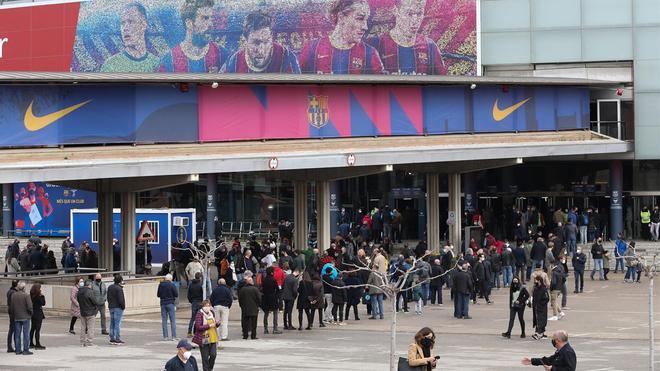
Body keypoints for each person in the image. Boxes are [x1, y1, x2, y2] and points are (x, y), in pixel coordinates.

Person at [300, 0, 384, 74]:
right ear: (341, 17)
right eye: (360, 18)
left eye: (366, 20)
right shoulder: (312, 48)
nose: (365, 27)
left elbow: (382, 89)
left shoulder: (370, 53)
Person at [368, 0, 445, 75]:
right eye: (409, 14)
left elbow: (441, 84)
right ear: (396, 11)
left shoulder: (430, 46)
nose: (414, 21)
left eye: (419, 13)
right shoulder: (376, 45)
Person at [158, 0, 227, 73]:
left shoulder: (221, 54)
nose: (211, 24)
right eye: (205, 18)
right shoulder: (169, 60)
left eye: (211, 19)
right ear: (189, 23)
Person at [222, 10, 300, 73]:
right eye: (255, 43)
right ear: (245, 40)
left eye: (266, 42)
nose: (261, 51)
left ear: (271, 38)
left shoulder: (287, 58)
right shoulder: (233, 62)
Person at [100, 3, 159, 72]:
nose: (125, 28)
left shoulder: (157, 64)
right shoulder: (110, 66)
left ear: (144, 24)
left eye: (130, 21)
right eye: (122, 23)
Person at [192, 300, 221, 371]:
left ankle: (209, 369)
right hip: (203, 339)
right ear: (202, 307)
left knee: (213, 355)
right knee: (205, 358)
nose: (207, 307)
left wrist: (217, 324)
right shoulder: (199, 314)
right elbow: (198, 327)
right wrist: (209, 325)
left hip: (213, 337)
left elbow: (214, 326)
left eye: (208, 306)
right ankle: (206, 369)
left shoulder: (212, 313)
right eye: (206, 306)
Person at [9, 281, 33, 355]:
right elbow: (30, 307)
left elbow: (12, 307)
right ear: (23, 288)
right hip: (25, 317)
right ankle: (26, 350)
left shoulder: (13, 295)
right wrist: (31, 313)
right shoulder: (26, 295)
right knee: (26, 334)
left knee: (17, 334)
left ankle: (18, 350)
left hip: (17, 317)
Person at [238, 275, 261, 340]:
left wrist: (242, 306)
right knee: (254, 323)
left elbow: (240, 299)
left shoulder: (242, 289)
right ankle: (253, 336)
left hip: (245, 308)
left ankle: (245, 335)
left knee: (245, 323)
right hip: (254, 308)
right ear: (251, 282)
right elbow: (259, 299)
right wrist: (258, 305)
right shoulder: (255, 289)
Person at [77, 279, 99, 347]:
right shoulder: (90, 292)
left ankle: (82, 342)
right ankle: (89, 342)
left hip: (83, 311)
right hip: (90, 312)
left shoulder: (79, 292)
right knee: (90, 328)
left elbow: (78, 300)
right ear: (89, 285)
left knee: (83, 327)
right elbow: (94, 301)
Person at [157, 274, 179, 340]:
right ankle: (174, 336)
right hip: (170, 303)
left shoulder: (160, 285)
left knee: (164, 320)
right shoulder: (172, 285)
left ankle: (165, 336)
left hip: (163, 303)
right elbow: (176, 294)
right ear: (171, 279)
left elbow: (158, 295)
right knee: (172, 320)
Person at [261, 266, 281, 334]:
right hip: (273, 297)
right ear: (272, 272)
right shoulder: (273, 280)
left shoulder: (264, 280)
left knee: (266, 314)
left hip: (266, 298)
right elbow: (277, 290)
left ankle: (265, 329)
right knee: (275, 313)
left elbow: (262, 289)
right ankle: (275, 328)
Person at [107, 274, 126, 345]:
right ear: (120, 280)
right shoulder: (119, 289)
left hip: (111, 307)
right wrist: (123, 307)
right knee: (117, 323)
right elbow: (121, 300)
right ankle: (117, 338)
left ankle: (112, 338)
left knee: (112, 323)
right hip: (118, 308)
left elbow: (108, 297)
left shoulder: (110, 287)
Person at [531, 275, 549, 340]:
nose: (535, 281)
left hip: (542, 308)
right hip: (536, 307)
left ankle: (539, 333)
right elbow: (533, 296)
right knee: (537, 320)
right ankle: (539, 333)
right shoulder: (535, 288)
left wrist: (541, 304)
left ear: (539, 281)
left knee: (541, 320)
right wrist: (532, 303)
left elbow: (547, 298)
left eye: (536, 280)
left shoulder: (543, 289)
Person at [29, 283, 46, 350]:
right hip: (38, 313)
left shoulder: (31, 295)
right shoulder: (39, 296)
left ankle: (31, 343)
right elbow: (43, 303)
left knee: (32, 328)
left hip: (33, 313)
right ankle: (37, 344)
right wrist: (42, 296)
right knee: (37, 329)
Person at [187, 272, 204, 338]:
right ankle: (196, 331)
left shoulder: (191, 285)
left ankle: (189, 332)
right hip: (199, 302)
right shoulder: (200, 285)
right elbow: (202, 294)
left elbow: (188, 294)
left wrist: (191, 301)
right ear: (200, 278)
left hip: (193, 302)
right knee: (199, 317)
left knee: (193, 317)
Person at [6, 280, 18, 353]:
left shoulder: (9, 291)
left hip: (11, 311)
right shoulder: (14, 292)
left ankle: (10, 346)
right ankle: (12, 346)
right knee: (13, 329)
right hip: (13, 312)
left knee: (12, 329)